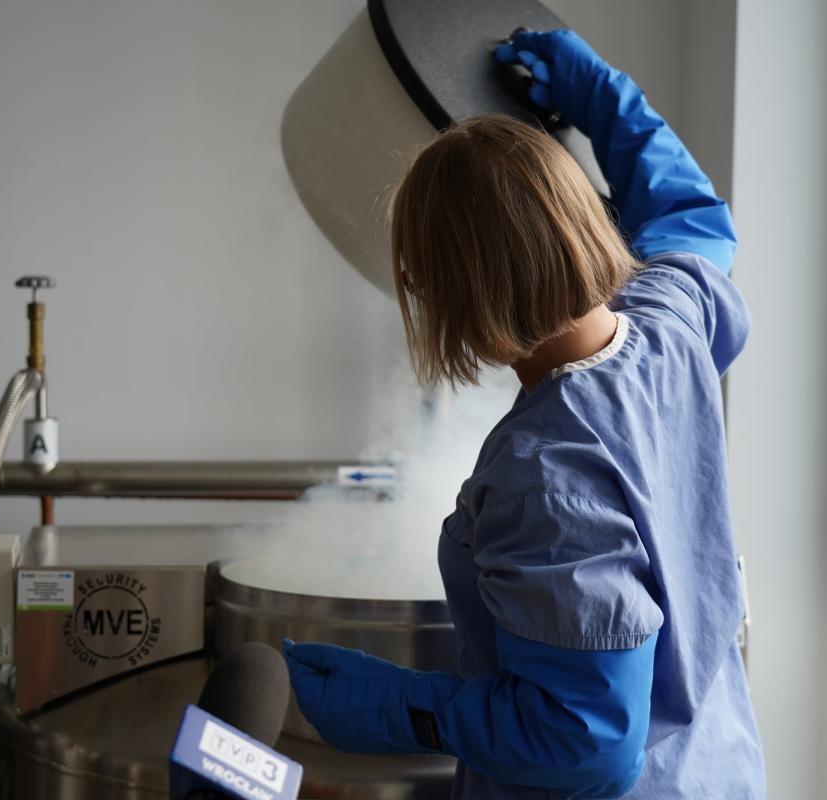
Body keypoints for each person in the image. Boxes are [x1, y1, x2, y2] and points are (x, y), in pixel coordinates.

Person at [283, 29, 766, 799]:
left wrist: (405, 707)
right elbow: (692, 215)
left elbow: (586, 746)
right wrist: (604, 96)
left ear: (449, 294)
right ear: (584, 218)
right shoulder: (670, 321)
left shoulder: (544, 474)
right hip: (717, 773)